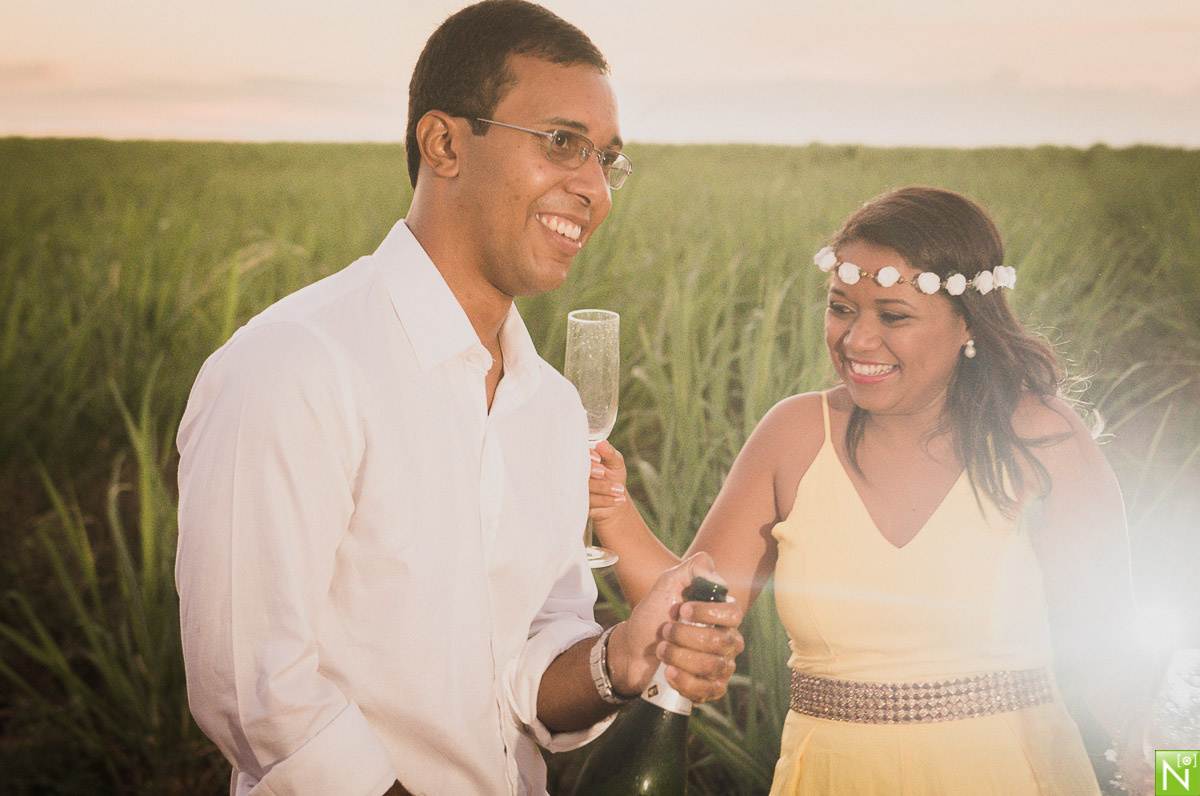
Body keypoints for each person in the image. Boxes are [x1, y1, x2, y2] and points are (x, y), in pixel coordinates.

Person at [174, 2, 743, 794]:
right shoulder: (297, 364)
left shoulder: (549, 407)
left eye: (607, 160)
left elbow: (533, 658)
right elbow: (257, 692)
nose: (594, 190)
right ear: (444, 142)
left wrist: (619, 660)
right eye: (561, 143)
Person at [588, 186, 1157, 794]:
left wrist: (1182, 777)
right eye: (840, 307)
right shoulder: (794, 435)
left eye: (893, 316)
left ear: (968, 321)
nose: (857, 340)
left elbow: (1121, 670)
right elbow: (687, 619)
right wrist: (612, 508)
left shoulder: (1038, 438)